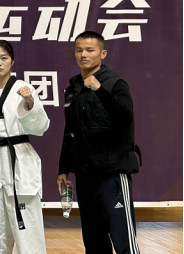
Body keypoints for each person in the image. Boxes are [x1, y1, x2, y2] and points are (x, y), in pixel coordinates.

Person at [58, 31, 141, 254]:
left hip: (112, 175)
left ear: (103, 54)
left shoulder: (115, 84)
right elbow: (70, 131)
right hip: (85, 176)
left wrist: (100, 90)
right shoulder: (73, 88)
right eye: (79, 50)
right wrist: (63, 169)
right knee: (94, 243)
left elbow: (126, 118)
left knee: (124, 242)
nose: (83, 54)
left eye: (89, 50)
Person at [0, 40, 49, 254]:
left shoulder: (24, 88)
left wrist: (30, 103)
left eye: (4, 58)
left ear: (13, 61)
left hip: (19, 157)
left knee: (28, 229)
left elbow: (41, 127)